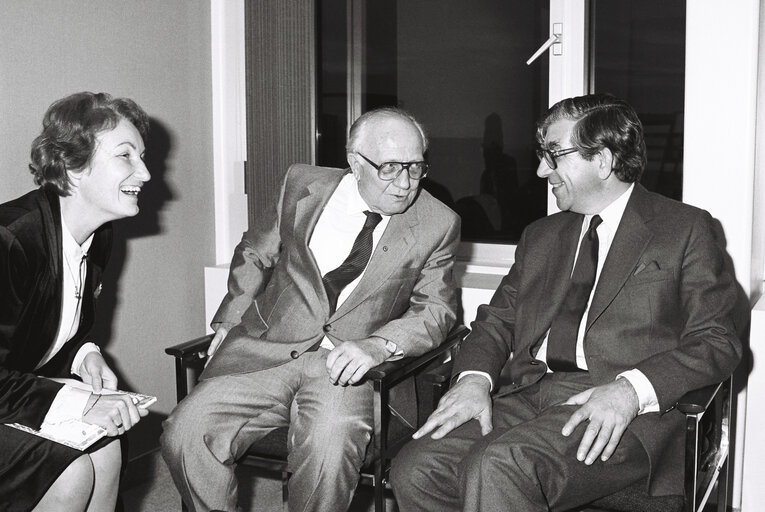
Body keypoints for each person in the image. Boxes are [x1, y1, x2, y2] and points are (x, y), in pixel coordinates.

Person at [390, 93, 743, 511]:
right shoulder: (541, 236)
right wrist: (473, 380)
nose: (541, 170)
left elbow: (718, 340)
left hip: (621, 413)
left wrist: (630, 390)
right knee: (416, 466)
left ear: (603, 160)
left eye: (554, 155)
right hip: (530, 395)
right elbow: (495, 323)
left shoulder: (684, 229)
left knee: (499, 464)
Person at [161, 107, 460, 512]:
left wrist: (378, 346)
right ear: (355, 162)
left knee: (328, 452)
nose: (405, 183)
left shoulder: (438, 222)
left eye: (416, 167)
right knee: (185, 433)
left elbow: (437, 309)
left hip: (348, 366)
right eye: (389, 168)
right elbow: (256, 252)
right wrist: (229, 320)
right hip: (266, 351)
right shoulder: (300, 183)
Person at [0, 92, 152, 511]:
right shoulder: (9, 241)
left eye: (142, 156)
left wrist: (85, 353)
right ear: (72, 167)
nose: (145, 172)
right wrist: (81, 401)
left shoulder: (98, 233)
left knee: (106, 446)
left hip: (11, 393)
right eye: (126, 156)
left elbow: (57, 324)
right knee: (69, 471)